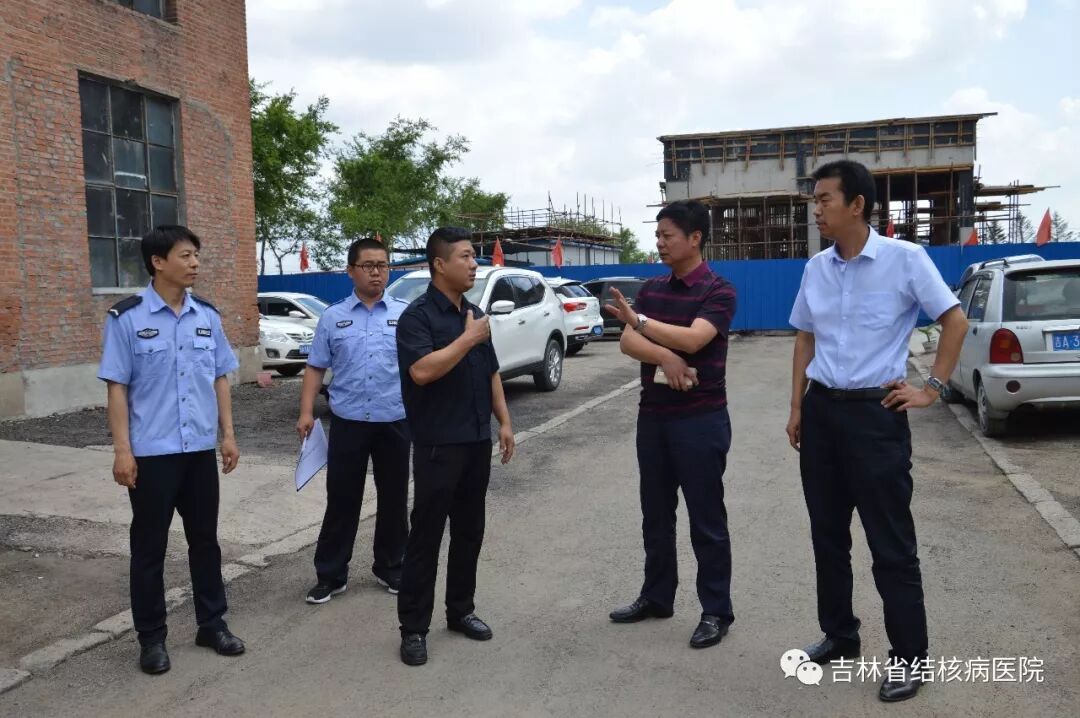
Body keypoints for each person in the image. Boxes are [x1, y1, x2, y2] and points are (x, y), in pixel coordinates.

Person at [786, 159, 968, 703]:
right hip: (822, 414)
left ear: (857, 204)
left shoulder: (904, 259)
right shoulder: (816, 267)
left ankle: (909, 657)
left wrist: (931, 388)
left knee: (890, 543)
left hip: (875, 416)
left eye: (824, 199)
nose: (817, 209)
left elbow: (954, 320)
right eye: (814, 200)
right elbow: (804, 338)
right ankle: (840, 635)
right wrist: (797, 407)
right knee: (827, 536)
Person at [98, 225, 245, 675]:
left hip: (198, 450)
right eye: (185, 255)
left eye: (196, 254)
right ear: (158, 262)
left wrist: (228, 434)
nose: (195, 262)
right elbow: (117, 388)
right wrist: (122, 451)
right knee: (149, 549)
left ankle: (212, 624)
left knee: (205, 542)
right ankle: (152, 639)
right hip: (152, 454)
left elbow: (220, 377)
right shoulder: (126, 318)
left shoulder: (207, 316)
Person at [603, 200, 738, 650]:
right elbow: (627, 342)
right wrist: (664, 356)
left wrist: (642, 324)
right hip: (654, 418)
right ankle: (657, 597)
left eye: (668, 235)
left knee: (706, 520)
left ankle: (716, 611)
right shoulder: (654, 288)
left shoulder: (718, 290)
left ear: (695, 238)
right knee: (656, 515)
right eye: (657, 235)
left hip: (700, 419)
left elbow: (696, 338)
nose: (659, 243)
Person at [394, 227, 515, 666]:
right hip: (437, 446)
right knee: (426, 537)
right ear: (439, 264)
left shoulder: (475, 314)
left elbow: (491, 371)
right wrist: (467, 339)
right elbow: (422, 372)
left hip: (475, 441)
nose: (473, 263)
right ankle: (413, 629)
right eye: (464, 256)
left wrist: (504, 421)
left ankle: (461, 610)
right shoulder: (418, 318)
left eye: (473, 256)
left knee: (469, 531)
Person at [296, 237, 411, 603]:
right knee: (342, 499)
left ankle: (392, 567)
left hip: (394, 419)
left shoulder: (404, 314)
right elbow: (316, 367)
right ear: (350, 271)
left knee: (394, 498)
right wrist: (306, 412)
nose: (377, 272)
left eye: (382, 265)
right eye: (368, 266)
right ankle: (331, 575)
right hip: (348, 422)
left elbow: (419, 367)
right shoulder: (333, 317)